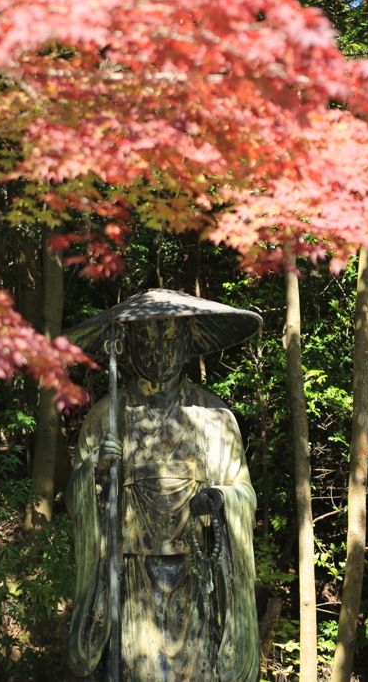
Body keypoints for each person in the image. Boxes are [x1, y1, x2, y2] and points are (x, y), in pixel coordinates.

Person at [65, 290, 261, 682]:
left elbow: (243, 491)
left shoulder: (214, 415)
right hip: (132, 573)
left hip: (196, 572)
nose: (159, 350)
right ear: (130, 346)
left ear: (190, 342)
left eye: (170, 338)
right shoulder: (108, 414)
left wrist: (221, 498)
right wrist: (97, 472)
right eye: (147, 339)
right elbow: (76, 495)